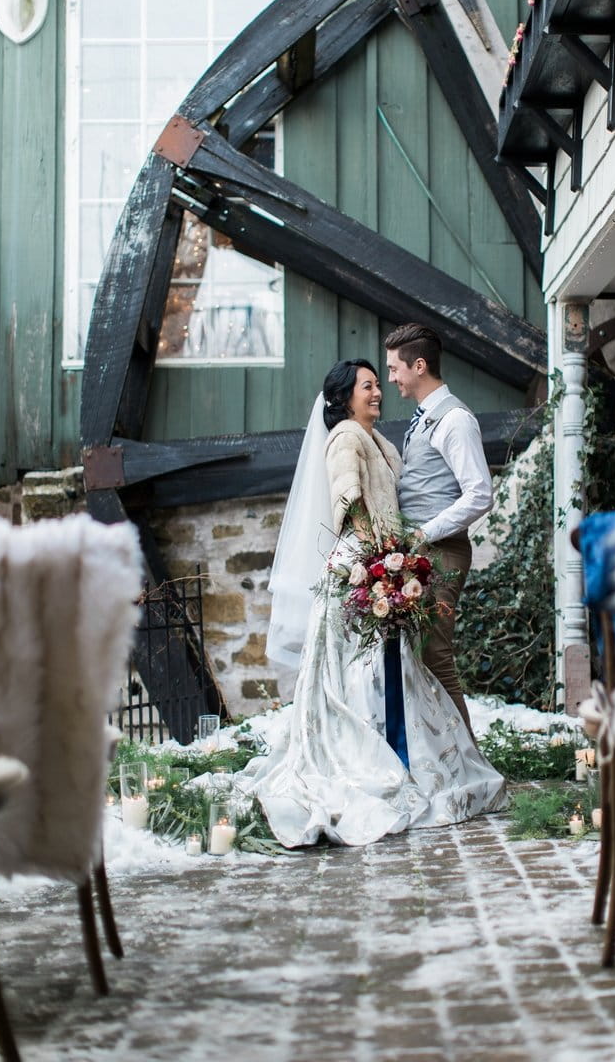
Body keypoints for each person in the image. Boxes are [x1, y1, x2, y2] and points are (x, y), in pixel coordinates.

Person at [245, 358, 506, 848]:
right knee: (361, 670)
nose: (378, 392)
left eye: (378, 384)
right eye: (368, 386)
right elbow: (350, 500)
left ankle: (406, 752)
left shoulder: (381, 440)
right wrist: (379, 563)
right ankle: (376, 756)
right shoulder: (346, 437)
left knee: (393, 665)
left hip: (388, 560)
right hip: (361, 566)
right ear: (346, 398)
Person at [384, 324, 493, 741]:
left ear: (420, 365)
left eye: (395, 368)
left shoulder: (456, 420)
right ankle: (437, 754)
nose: (391, 378)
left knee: (435, 654)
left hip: (442, 553)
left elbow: (481, 494)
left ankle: (468, 762)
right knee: (420, 655)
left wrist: (423, 533)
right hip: (421, 554)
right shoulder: (427, 416)